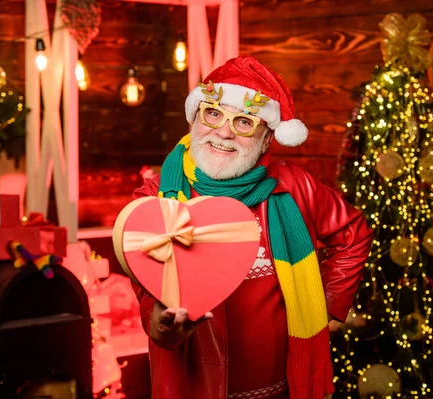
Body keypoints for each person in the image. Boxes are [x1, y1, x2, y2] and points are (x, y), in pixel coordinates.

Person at [130, 55, 372, 399]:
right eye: (212, 114)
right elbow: (146, 283)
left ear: (267, 138)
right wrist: (160, 321)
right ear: (194, 118)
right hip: (195, 389)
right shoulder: (154, 197)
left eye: (244, 122)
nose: (224, 132)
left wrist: (329, 307)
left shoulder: (294, 186)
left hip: (287, 389)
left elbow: (353, 233)